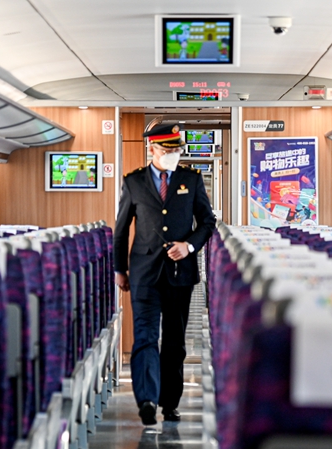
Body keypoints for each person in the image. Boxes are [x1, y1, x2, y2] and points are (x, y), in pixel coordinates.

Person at [113, 123, 216, 425]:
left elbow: (208, 222)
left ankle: (169, 402)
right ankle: (146, 399)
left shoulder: (191, 180)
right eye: (167, 150)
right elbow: (120, 232)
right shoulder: (133, 182)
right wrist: (120, 269)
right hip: (144, 272)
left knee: (174, 342)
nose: (173, 154)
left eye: (176, 150)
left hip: (180, 272)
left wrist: (190, 247)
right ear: (152, 149)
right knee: (145, 336)